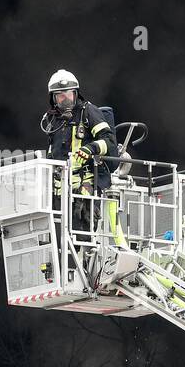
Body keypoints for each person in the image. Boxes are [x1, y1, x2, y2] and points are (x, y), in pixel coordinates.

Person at [41, 69, 122, 243]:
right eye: (60, 96)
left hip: (86, 185)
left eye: (69, 94)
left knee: (83, 231)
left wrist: (89, 149)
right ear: (53, 98)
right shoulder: (54, 121)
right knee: (62, 237)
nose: (66, 98)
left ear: (76, 93)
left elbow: (108, 141)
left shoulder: (89, 112)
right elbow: (51, 153)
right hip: (61, 189)